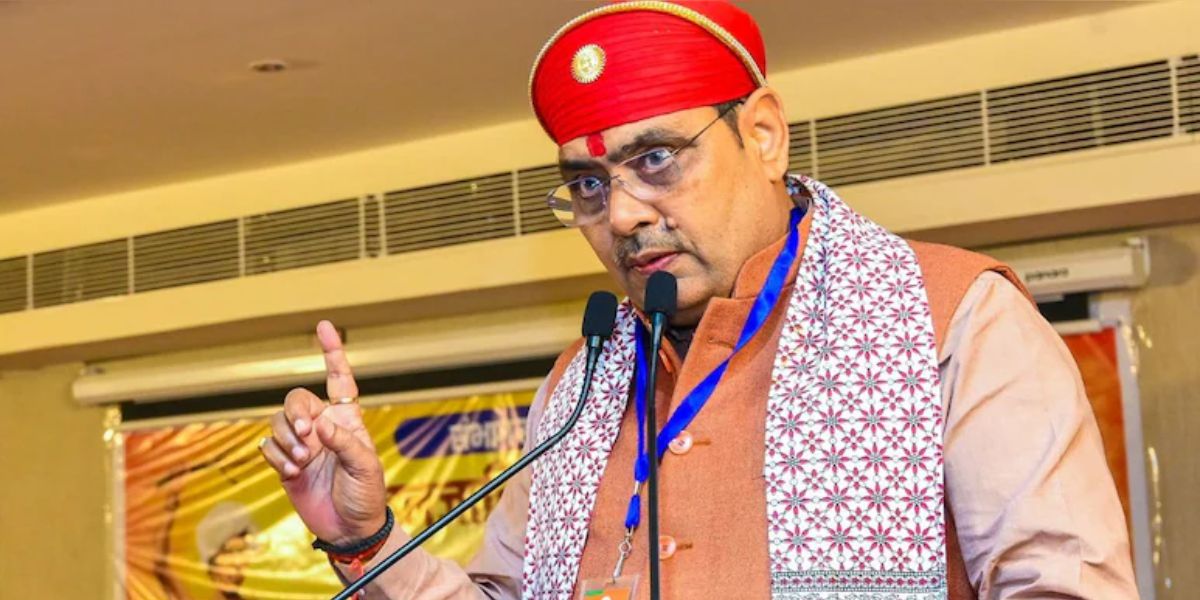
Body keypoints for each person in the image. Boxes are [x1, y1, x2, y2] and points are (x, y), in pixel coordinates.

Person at [259, 1, 1138, 598]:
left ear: (764, 134)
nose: (623, 214)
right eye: (589, 185)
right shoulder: (580, 386)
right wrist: (365, 539)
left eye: (655, 159)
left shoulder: (954, 318)